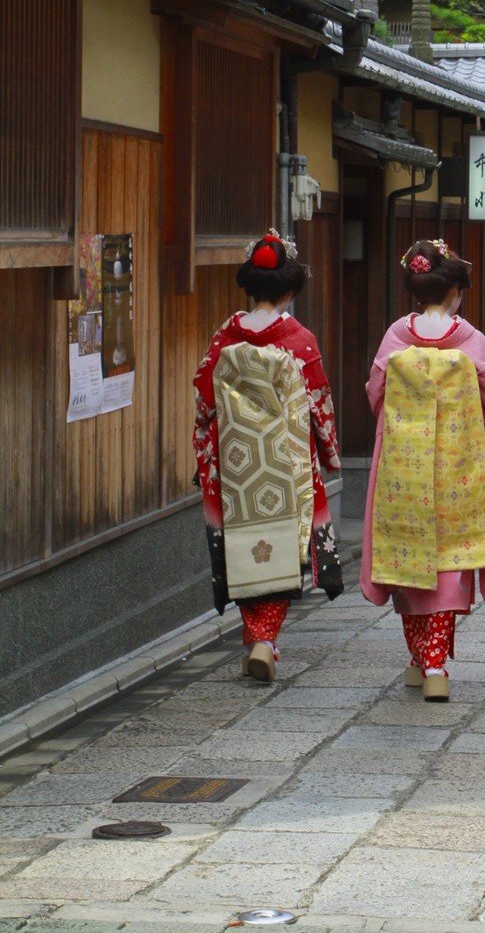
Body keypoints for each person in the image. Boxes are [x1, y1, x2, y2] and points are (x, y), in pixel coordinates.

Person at [361, 237, 485, 701]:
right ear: (454, 290)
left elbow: (376, 394)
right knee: (448, 558)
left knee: (407, 555)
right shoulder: (469, 340)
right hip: (458, 462)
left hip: (401, 464)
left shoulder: (396, 337)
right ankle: (433, 664)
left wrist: (403, 425)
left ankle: (420, 659)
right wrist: (467, 423)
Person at [193, 231, 343, 682]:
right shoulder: (299, 339)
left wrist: (206, 451)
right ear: (290, 292)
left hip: (234, 459)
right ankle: (264, 640)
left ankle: (256, 638)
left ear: (249, 287)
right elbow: (318, 400)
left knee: (241, 548)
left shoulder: (225, 336)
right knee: (283, 549)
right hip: (285, 464)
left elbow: (204, 400)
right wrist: (329, 451)